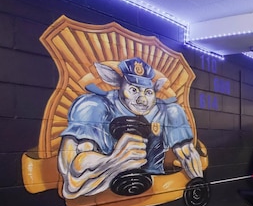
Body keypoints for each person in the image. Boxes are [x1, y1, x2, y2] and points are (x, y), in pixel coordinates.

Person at [57, 57, 203, 198]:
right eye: (134, 90)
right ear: (118, 85)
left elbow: (187, 153)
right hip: (108, 195)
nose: (142, 99)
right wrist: (116, 160)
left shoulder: (169, 111)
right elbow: (72, 183)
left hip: (155, 189)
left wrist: (200, 187)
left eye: (148, 92)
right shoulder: (95, 106)